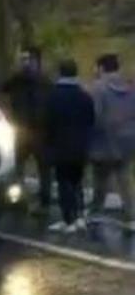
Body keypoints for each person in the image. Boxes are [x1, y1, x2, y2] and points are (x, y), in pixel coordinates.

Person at [44, 60, 95, 233]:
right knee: (78, 180)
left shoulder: (52, 96)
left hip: (60, 146)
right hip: (81, 146)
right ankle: (80, 216)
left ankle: (68, 219)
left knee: (64, 182)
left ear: (60, 73)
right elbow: (91, 120)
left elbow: (46, 123)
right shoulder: (84, 96)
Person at [1, 47, 52, 212]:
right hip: (23, 130)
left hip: (38, 131)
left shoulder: (44, 82)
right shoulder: (18, 79)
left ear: (36, 61)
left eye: (28, 59)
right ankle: (18, 199)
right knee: (19, 167)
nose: (25, 63)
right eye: (23, 60)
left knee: (42, 168)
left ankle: (44, 200)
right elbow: (2, 88)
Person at [89, 53, 135, 228]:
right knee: (125, 178)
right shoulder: (130, 87)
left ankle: (96, 211)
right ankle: (131, 215)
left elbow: (95, 115)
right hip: (128, 140)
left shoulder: (97, 88)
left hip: (104, 140)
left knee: (100, 178)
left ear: (101, 68)